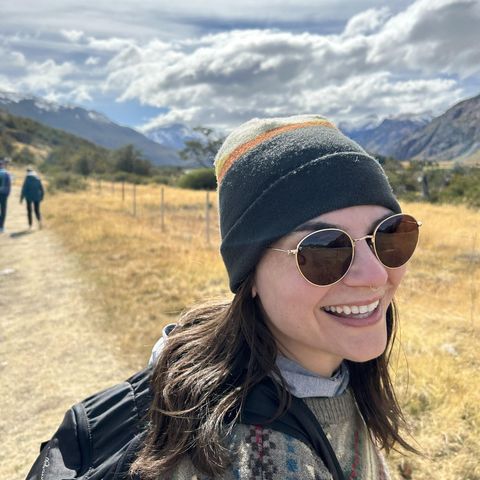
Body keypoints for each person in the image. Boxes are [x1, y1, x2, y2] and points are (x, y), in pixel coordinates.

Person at [28, 115, 421, 479]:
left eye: (389, 235)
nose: (375, 275)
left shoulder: (327, 369)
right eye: (324, 249)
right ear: (250, 276)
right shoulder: (254, 459)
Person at [0, 157, 12, 233]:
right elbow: (9, 185)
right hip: (4, 194)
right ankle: (1, 227)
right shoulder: (7, 173)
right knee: (3, 210)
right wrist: (8, 193)